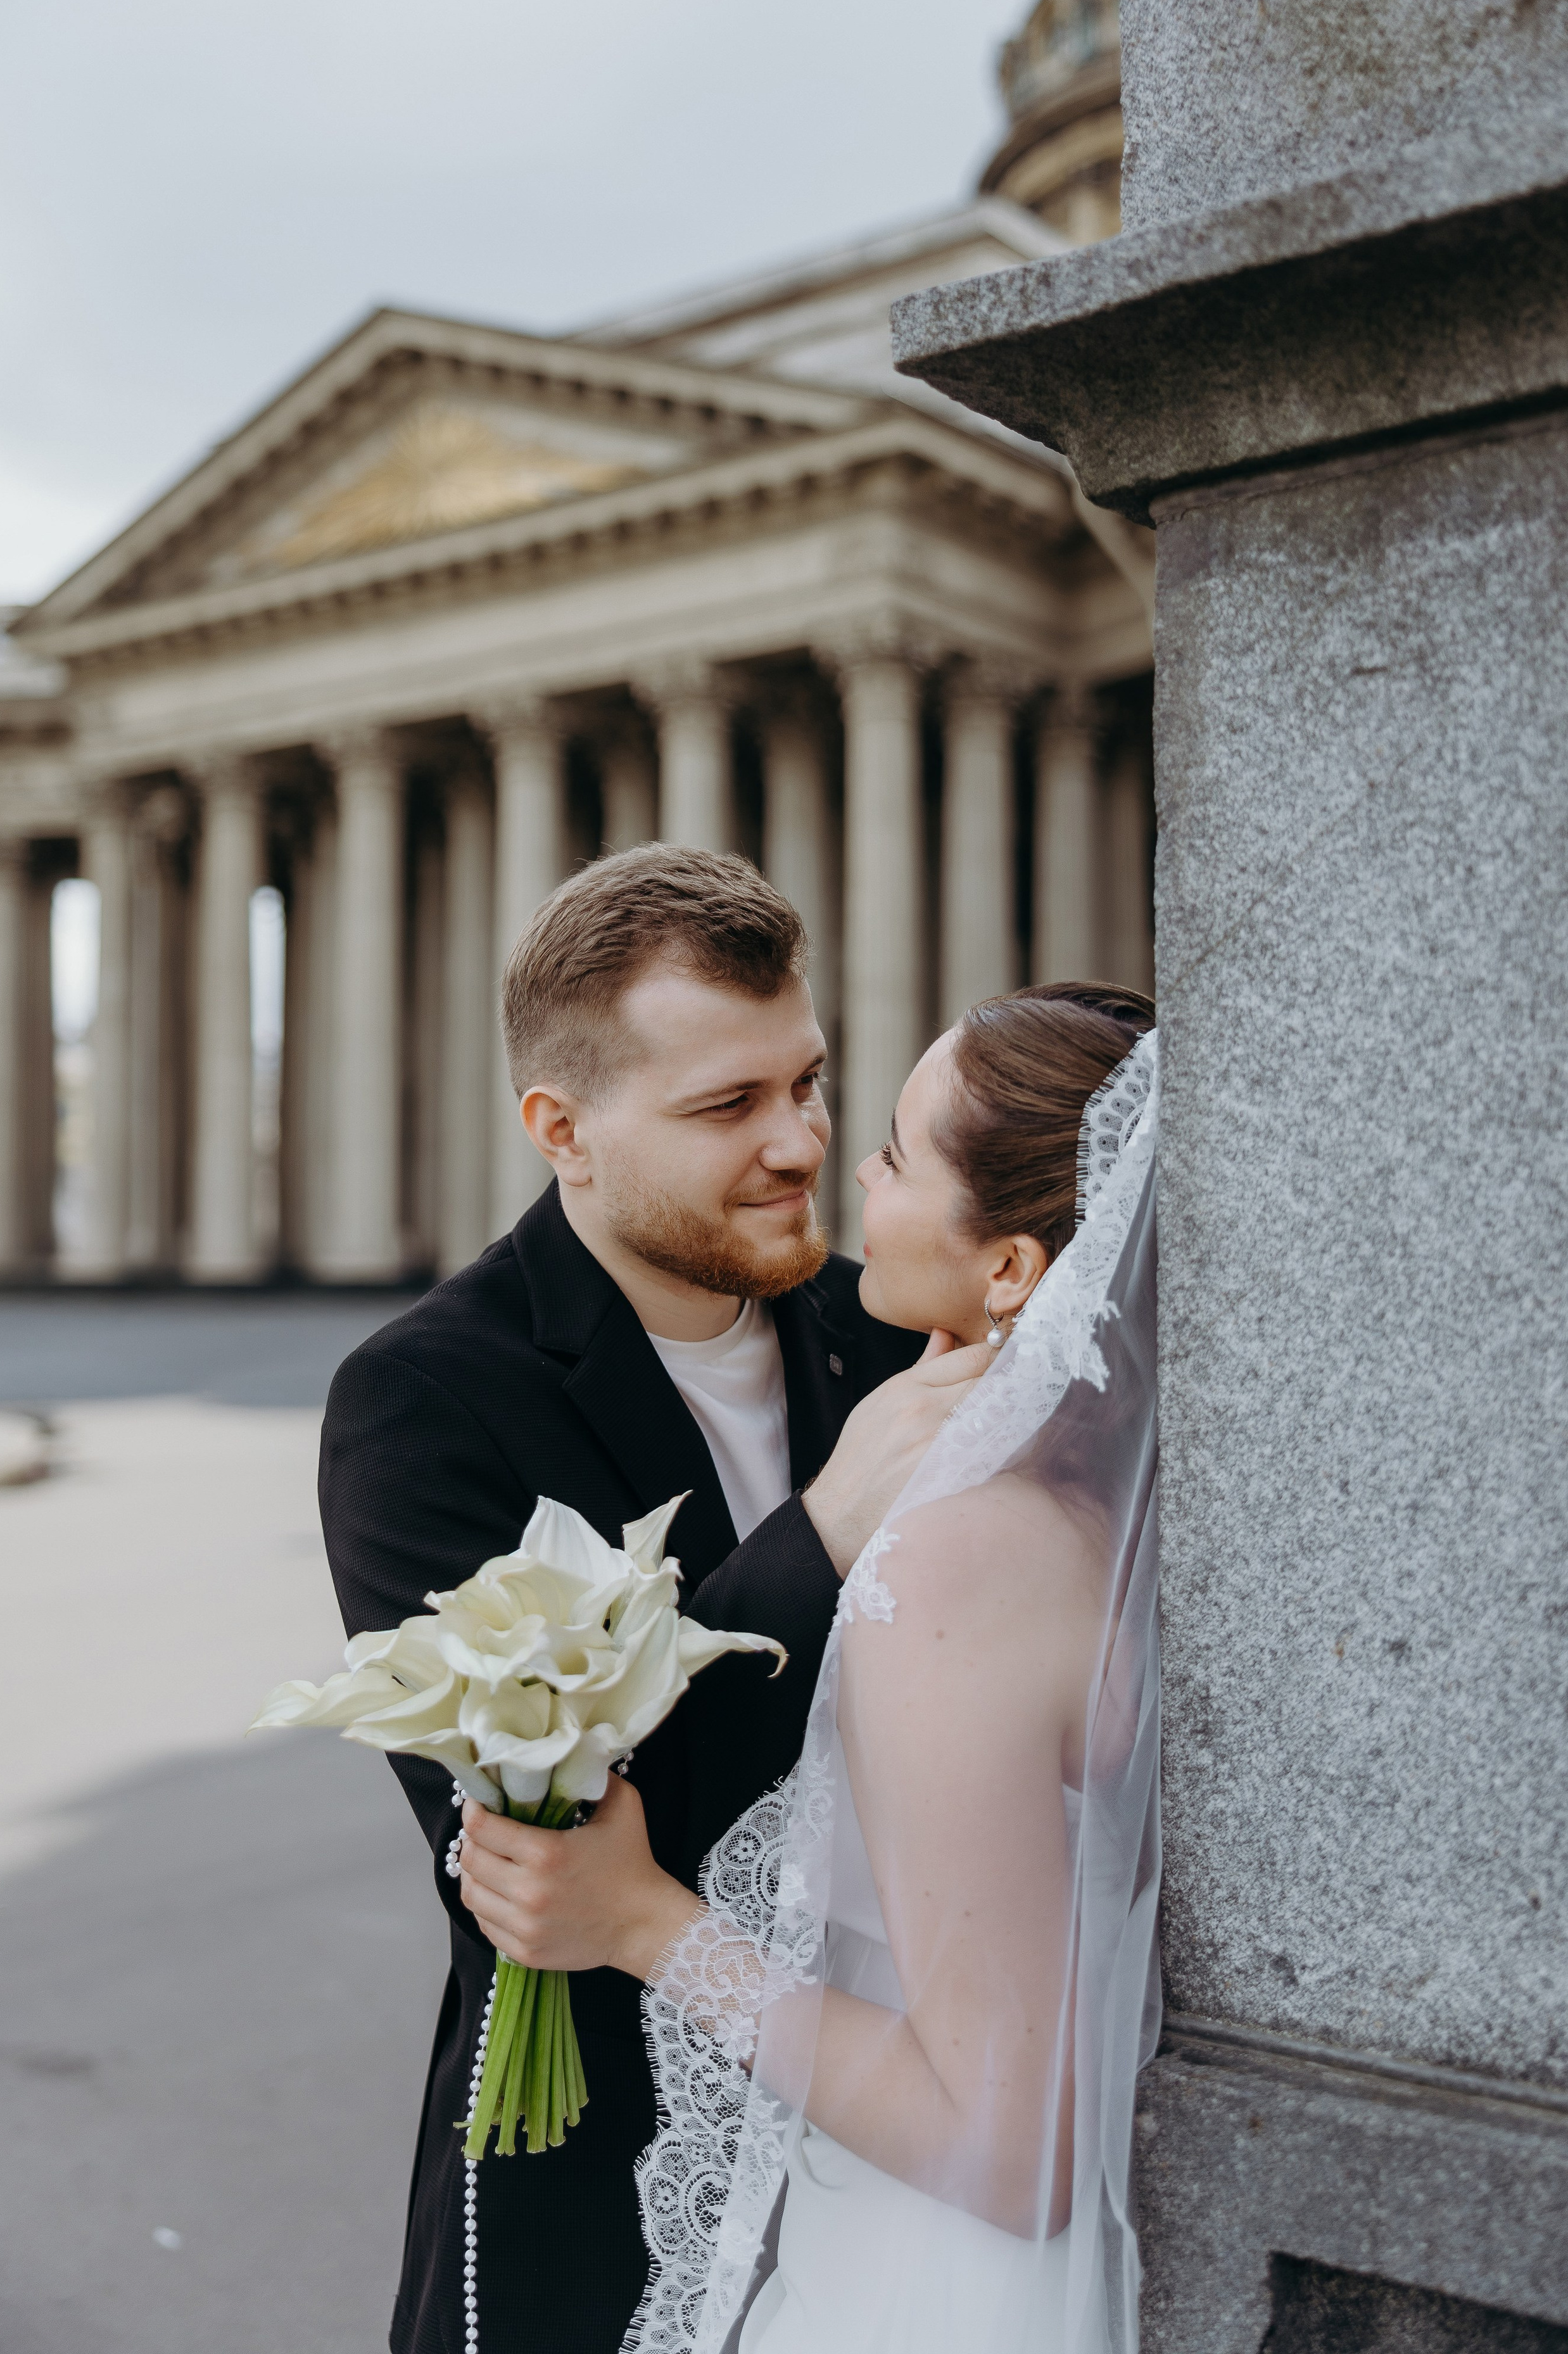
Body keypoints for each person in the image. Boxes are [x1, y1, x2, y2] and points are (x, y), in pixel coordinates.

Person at [320, 845, 992, 2354]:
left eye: (808, 1083)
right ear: (561, 1130)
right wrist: (816, 1539)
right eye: (725, 1108)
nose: (799, 1143)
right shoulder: (424, 1400)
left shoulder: (885, 1332)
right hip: (597, 2179)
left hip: (904, 2143)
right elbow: (532, 1862)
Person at [456, 984, 1161, 2354]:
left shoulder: (957, 1567)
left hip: (940, 2264)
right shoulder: (1117, 1509)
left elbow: (1008, 2144)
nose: (825, 1156)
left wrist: (647, 1922)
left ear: (1010, 1269)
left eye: (888, 1146)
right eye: (733, 1103)